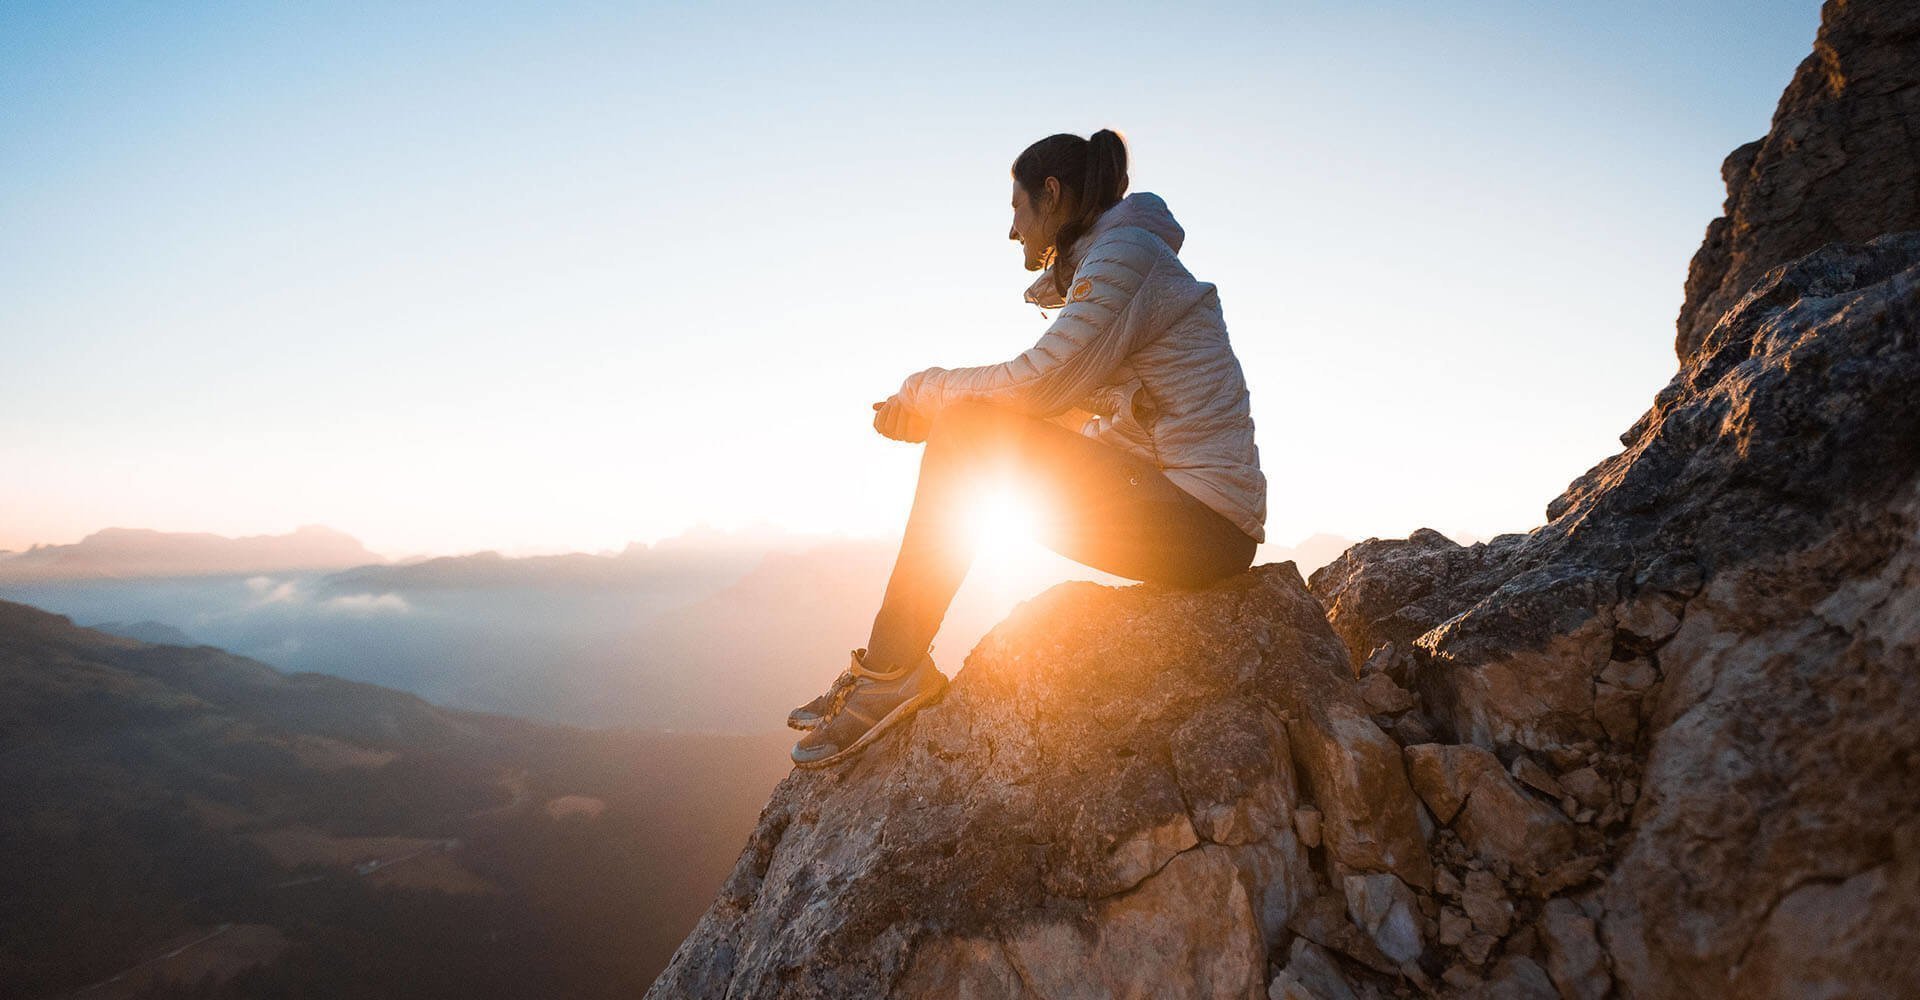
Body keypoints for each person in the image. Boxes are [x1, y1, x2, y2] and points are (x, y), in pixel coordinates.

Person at [788, 128, 1267, 768]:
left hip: (1203, 523)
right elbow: (1064, 413)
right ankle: (886, 665)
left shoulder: (1126, 257)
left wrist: (927, 395)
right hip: (1184, 507)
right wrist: (948, 427)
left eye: (1016, 210)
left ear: (1051, 193)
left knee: (966, 430)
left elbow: (1041, 382)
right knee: (966, 432)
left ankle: (892, 671)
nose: (1013, 231)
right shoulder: (1117, 258)